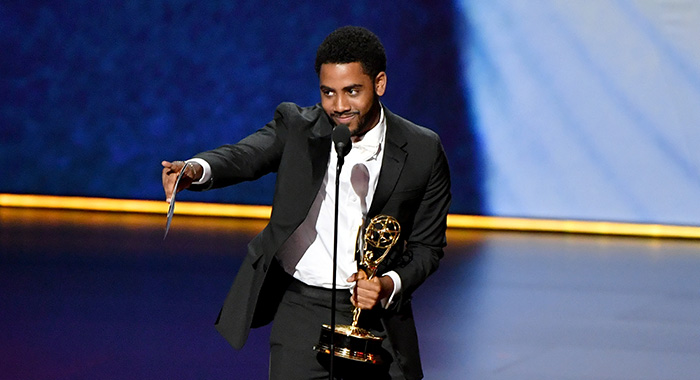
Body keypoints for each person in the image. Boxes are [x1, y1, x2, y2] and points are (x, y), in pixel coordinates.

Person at [161, 26, 451, 380]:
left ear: (380, 84)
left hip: (378, 320)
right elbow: (247, 155)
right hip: (301, 310)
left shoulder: (422, 149)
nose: (339, 106)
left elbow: (427, 247)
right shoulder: (298, 128)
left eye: (352, 91)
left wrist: (388, 283)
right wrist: (196, 168)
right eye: (328, 93)